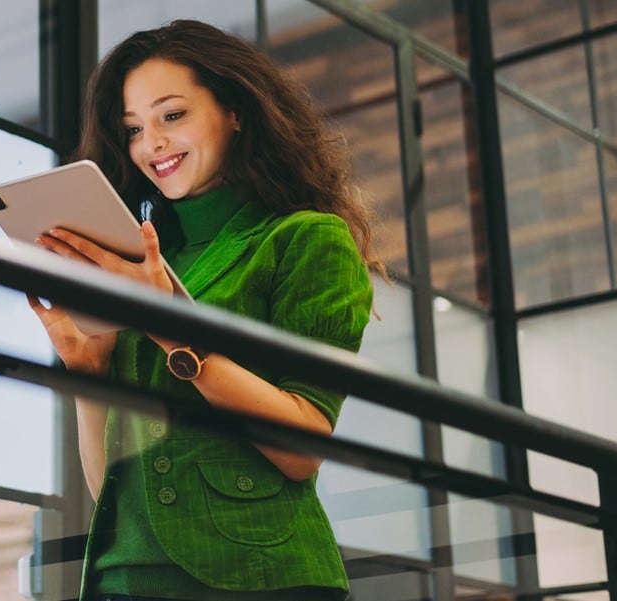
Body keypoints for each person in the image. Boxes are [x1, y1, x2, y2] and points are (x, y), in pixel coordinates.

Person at [27, 19, 381, 601]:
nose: (152, 144)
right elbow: (111, 487)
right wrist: (87, 371)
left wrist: (172, 332)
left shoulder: (304, 240)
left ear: (236, 111)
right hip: (124, 579)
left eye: (172, 115)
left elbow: (303, 450)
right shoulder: (139, 260)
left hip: (261, 581)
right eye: (134, 128)